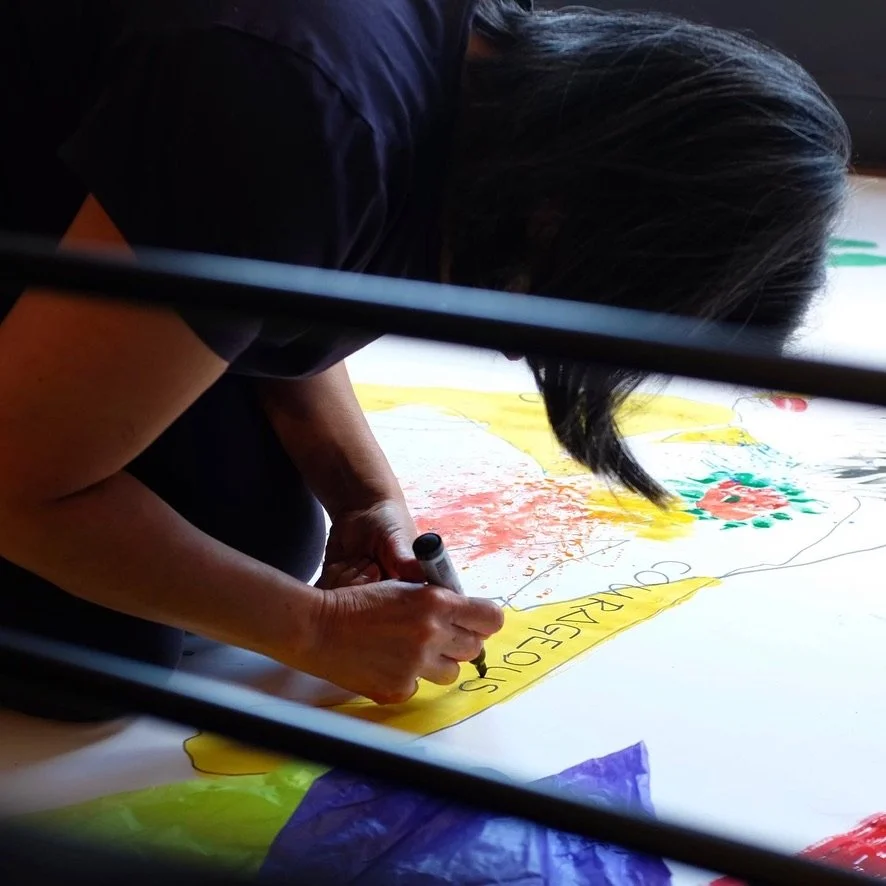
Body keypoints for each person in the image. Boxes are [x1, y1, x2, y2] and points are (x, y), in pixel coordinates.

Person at [0, 0, 850, 720]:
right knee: (90, 652)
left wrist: (365, 495)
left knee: (261, 535)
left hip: (90, 209)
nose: (518, 348)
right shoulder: (296, 121)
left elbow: (268, 277)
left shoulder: (482, 91)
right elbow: (15, 481)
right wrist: (313, 631)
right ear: (568, 217)